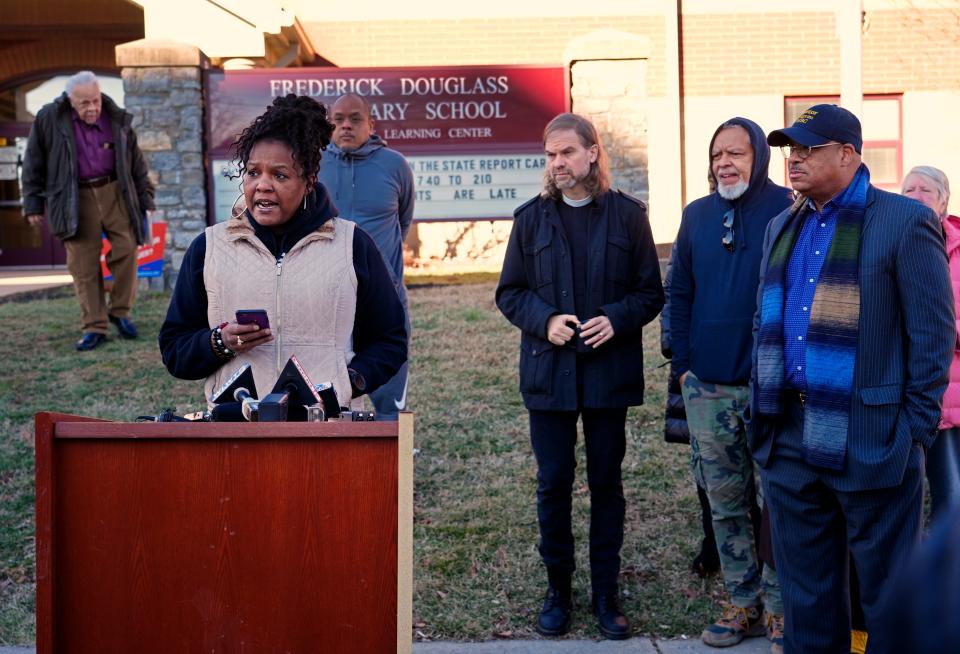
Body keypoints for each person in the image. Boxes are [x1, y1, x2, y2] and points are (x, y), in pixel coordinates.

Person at [749, 104, 954, 653]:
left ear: (848, 154)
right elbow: (763, 322)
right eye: (792, 149)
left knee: (889, 601)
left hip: (873, 436)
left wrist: (914, 429)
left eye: (810, 148)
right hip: (787, 433)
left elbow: (933, 335)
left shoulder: (904, 221)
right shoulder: (780, 226)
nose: (795, 159)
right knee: (807, 599)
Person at [496, 113, 664, 640]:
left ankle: (606, 593)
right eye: (549, 155)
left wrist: (616, 318)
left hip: (607, 375)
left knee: (607, 485)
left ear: (593, 153)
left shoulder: (629, 217)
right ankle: (559, 591)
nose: (557, 164)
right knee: (554, 484)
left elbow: (650, 293)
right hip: (549, 377)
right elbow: (510, 293)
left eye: (566, 152)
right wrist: (544, 321)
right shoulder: (530, 220)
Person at [159, 95, 407, 411]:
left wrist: (349, 382)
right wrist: (220, 343)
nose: (262, 185)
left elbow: (390, 340)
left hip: (326, 432)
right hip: (236, 432)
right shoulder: (208, 248)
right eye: (252, 172)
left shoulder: (353, 245)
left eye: (280, 175)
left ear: (308, 182)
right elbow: (175, 350)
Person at [670, 117, 792, 653]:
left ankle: (782, 606)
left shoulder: (789, 210)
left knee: (778, 502)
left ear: (758, 158)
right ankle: (742, 600)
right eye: (718, 153)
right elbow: (679, 293)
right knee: (723, 500)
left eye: (736, 154)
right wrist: (683, 362)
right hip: (708, 388)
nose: (725, 163)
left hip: (772, 389)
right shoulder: (696, 216)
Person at [21, 71, 155, 351]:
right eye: (84, 103)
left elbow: (136, 163)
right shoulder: (49, 118)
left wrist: (146, 200)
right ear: (70, 101)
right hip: (73, 196)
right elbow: (34, 160)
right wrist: (32, 202)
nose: (92, 108)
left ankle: (119, 311)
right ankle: (94, 325)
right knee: (84, 265)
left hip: (115, 191)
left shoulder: (115, 116)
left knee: (127, 248)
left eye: (95, 100)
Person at [317, 94, 414, 420]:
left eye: (355, 119)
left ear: (370, 125)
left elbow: (402, 221)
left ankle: (395, 467)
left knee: (390, 406)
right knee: (330, 403)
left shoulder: (394, 165)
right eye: (339, 118)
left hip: (384, 303)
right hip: (328, 302)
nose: (346, 125)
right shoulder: (312, 165)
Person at [902, 165, 960, 521]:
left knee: (950, 492)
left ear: (943, 202)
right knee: (902, 498)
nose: (917, 196)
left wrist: (938, 332)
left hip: (951, 395)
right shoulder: (891, 241)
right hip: (905, 392)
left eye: (926, 190)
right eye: (909, 190)